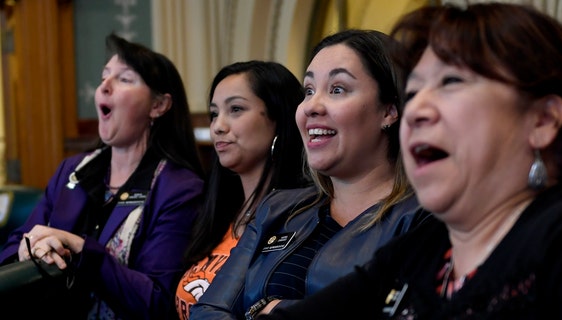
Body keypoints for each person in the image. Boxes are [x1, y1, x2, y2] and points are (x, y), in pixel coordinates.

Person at [256, 3, 562, 319]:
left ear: (542, 120)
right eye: (415, 90)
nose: (418, 109)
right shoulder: (426, 248)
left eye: (451, 83)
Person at [189, 29, 426, 320]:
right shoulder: (278, 208)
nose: (312, 106)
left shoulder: (420, 218)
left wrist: (280, 313)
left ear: (389, 110)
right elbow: (207, 310)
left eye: (337, 89)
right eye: (309, 90)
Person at [0, 33, 205, 319]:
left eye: (124, 79)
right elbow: (12, 247)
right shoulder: (72, 170)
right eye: (104, 76)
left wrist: (83, 250)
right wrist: (29, 250)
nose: (104, 86)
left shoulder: (179, 188)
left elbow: (157, 301)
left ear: (159, 105)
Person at [175, 60, 310, 320]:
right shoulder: (216, 215)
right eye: (214, 113)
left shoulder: (302, 219)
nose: (218, 126)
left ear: (279, 119)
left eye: (235, 109)